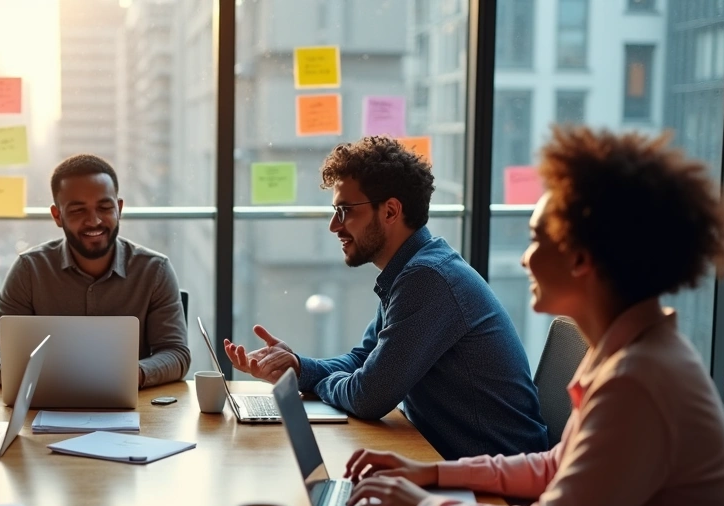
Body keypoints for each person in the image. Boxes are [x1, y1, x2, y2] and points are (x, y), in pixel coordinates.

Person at [343, 128, 724, 506]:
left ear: (581, 259)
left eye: (536, 239)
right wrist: (431, 476)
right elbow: (555, 465)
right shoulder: (629, 352)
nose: (524, 258)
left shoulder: (640, 379)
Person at [224, 136, 547, 459]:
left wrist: (321, 383)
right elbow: (363, 360)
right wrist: (296, 367)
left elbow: (368, 396)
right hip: (450, 459)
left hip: (491, 481)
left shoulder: (427, 278)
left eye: (345, 210)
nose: (334, 226)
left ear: (391, 211)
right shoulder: (412, 270)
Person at [0, 153, 189, 388]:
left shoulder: (154, 270)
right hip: (46, 407)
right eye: (78, 210)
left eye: (104, 207)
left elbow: (176, 354)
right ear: (57, 216)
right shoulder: (30, 270)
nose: (94, 221)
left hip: (132, 411)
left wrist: (132, 375)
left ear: (119, 208)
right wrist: (25, 376)